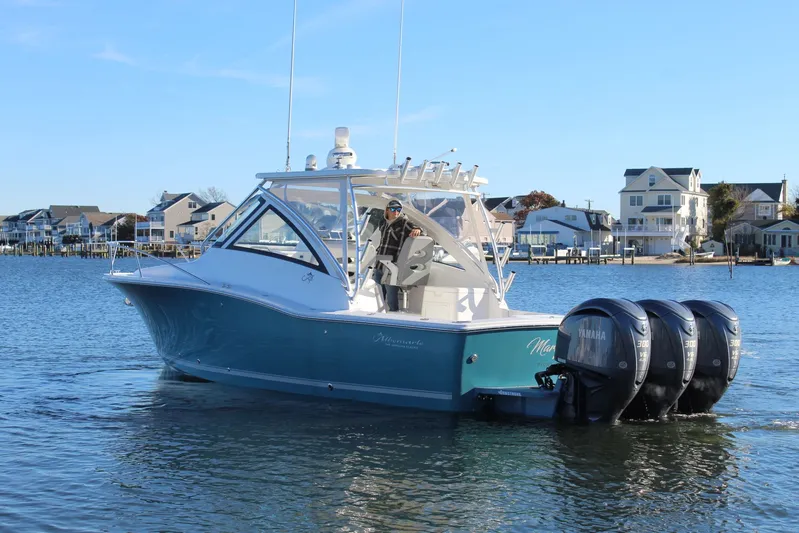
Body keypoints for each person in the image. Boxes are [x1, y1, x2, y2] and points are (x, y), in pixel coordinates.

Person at [374, 199, 422, 311]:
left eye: (398, 209)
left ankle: (393, 316)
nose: (396, 211)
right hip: (379, 265)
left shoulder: (404, 222)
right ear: (387, 210)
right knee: (378, 295)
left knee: (391, 298)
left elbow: (420, 229)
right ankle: (379, 317)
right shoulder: (382, 223)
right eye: (393, 209)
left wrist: (417, 230)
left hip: (392, 266)